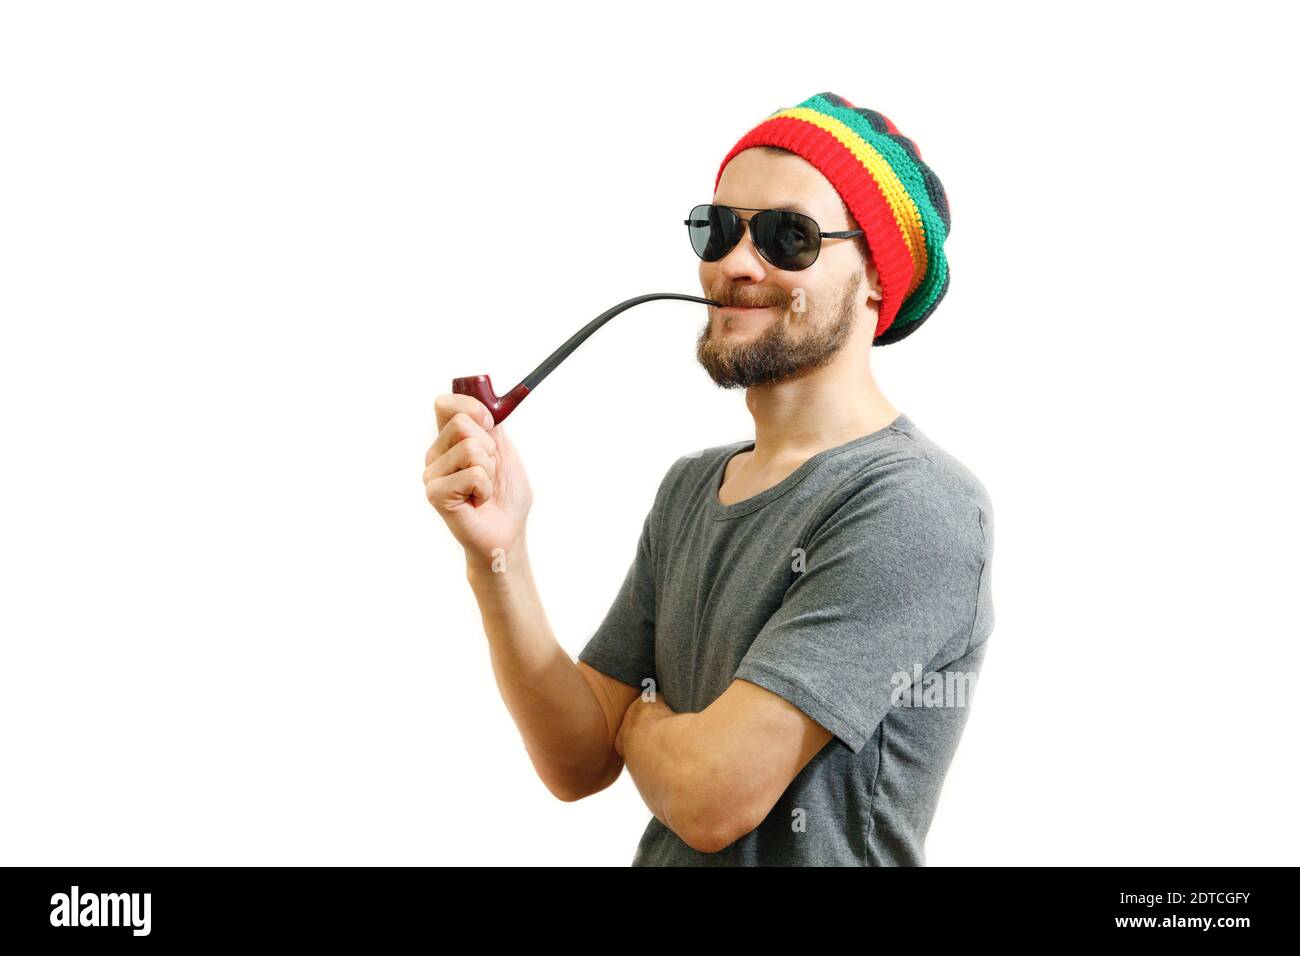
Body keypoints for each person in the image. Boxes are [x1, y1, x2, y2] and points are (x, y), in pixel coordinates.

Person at [423, 92, 994, 865]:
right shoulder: (693, 488)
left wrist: (643, 724)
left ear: (877, 284)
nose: (734, 263)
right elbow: (578, 759)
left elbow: (710, 797)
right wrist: (498, 554)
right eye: (718, 228)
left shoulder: (913, 504)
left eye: (789, 237)